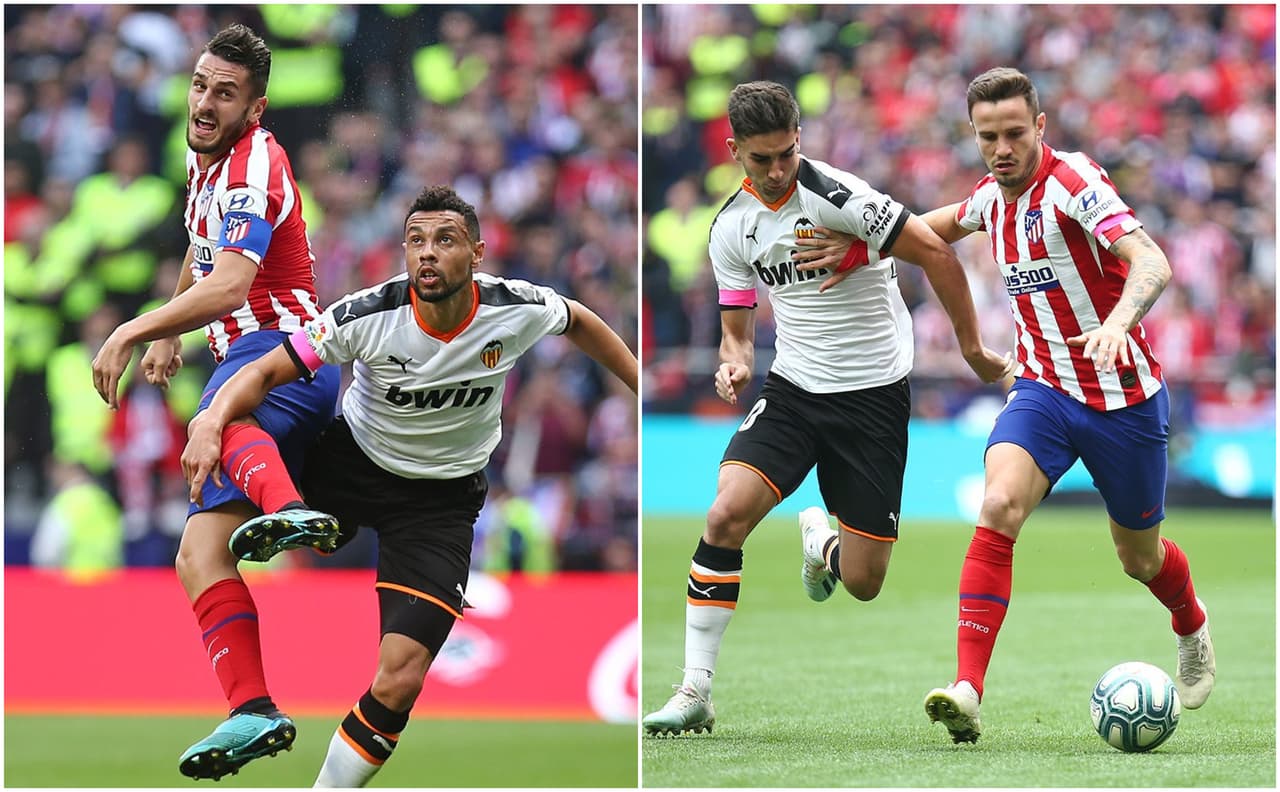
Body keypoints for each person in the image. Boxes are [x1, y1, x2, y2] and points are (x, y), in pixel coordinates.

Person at [797, 67, 1216, 744]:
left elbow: (1151, 261)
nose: (1001, 149)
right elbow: (927, 231)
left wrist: (1117, 323)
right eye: (987, 136)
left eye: (1015, 133)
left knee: (1139, 559)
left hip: (1124, 398)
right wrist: (859, 242)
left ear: (1040, 126)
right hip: (1043, 390)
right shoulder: (991, 199)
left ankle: (1191, 624)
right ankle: (967, 688)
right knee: (998, 506)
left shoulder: (1075, 183)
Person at [180, 184, 639, 787]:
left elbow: (578, 319)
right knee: (214, 491)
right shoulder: (367, 314)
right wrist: (210, 419)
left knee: (401, 679)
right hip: (351, 466)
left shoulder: (514, 306)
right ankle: (283, 531)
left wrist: (639, 385)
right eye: (416, 240)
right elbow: (266, 371)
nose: (428, 252)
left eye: (445, 240)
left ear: (477, 252)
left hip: (439, 503)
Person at [641, 81, 1012, 737]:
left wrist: (974, 350)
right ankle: (695, 689)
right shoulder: (730, 227)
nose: (776, 170)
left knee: (865, 582)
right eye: (761, 159)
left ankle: (822, 542)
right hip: (794, 391)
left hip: (873, 398)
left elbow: (934, 251)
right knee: (725, 514)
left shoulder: (841, 197)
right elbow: (736, 326)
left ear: (799, 139)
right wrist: (734, 360)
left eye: (786, 153)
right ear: (734, 151)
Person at [88, 24, 341, 780]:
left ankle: (288, 510)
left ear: (254, 109)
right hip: (244, 361)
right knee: (197, 554)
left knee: (211, 419)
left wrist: (132, 329)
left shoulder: (256, 160)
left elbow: (231, 285)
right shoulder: (205, 164)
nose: (205, 102)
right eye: (201, 85)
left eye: (225, 93)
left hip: (286, 353)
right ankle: (252, 709)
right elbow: (203, 258)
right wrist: (172, 329)